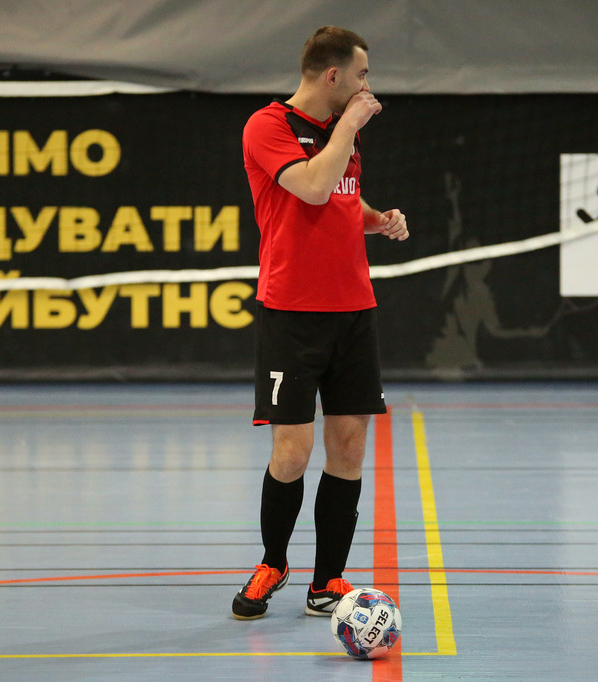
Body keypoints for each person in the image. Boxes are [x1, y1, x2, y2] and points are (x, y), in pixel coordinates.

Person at [233, 25, 409, 620]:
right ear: (332, 75)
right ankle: (273, 563)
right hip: (291, 314)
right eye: (361, 74)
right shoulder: (269, 126)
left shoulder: (339, 134)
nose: (367, 86)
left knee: (350, 446)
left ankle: (327, 580)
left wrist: (376, 218)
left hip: (353, 310)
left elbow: (339, 194)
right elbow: (310, 187)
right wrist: (350, 126)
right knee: (292, 451)